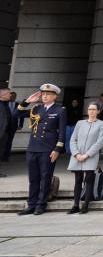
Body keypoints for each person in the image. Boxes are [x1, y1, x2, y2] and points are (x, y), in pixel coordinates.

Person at [15, 83, 66, 215]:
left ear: (55, 96)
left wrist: (57, 149)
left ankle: (41, 204)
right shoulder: (36, 109)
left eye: (48, 94)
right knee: (33, 178)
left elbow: (62, 132)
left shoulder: (60, 110)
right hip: (33, 148)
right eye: (43, 94)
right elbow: (16, 114)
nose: (45, 96)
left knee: (45, 178)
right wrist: (27, 101)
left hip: (48, 149)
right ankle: (31, 204)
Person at [67, 102, 103, 214]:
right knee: (77, 180)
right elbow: (73, 139)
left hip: (90, 156)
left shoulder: (102, 124)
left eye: (94, 109)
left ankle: (85, 205)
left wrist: (87, 155)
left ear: (98, 111)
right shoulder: (80, 123)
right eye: (89, 109)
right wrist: (76, 154)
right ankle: (75, 205)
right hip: (77, 156)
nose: (91, 111)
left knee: (88, 180)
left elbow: (100, 142)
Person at [1, 90, 19, 162]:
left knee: (7, 144)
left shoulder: (15, 104)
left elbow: (19, 116)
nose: (11, 96)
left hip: (10, 129)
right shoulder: (3, 104)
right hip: (2, 130)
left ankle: (5, 157)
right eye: (9, 94)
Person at [0, 89, 10, 177]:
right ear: (2, 95)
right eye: (8, 94)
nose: (10, 95)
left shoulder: (5, 105)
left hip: (4, 134)